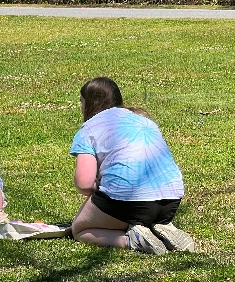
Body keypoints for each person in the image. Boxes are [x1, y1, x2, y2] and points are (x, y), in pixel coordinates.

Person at [69, 77, 194, 254]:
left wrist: (102, 190)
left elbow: (84, 184)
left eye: (81, 102)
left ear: (89, 103)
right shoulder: (143, 120)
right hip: (170, 200)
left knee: (80, 229)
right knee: (143, 212)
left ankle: (132, 240)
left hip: (127, 201)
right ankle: (161, 227)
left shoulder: (89, 128)